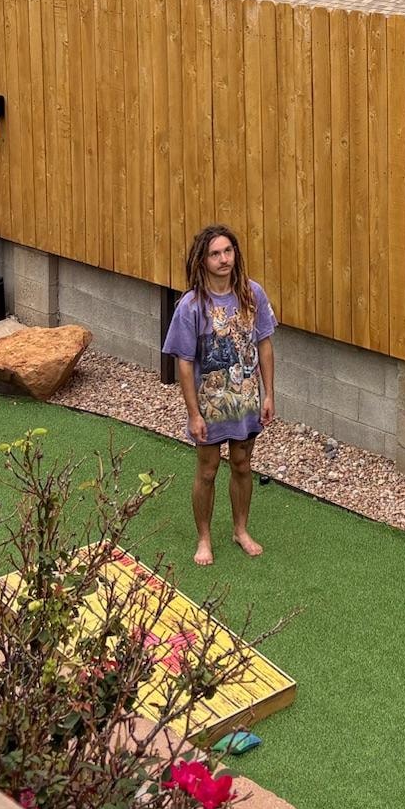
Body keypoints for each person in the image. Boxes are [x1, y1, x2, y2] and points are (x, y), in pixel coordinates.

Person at [163, 224, 277, 565]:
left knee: (242, 465)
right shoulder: (191, 305)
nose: (223, 259)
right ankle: (204, 537)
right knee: (208, 470)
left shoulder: (252, 295)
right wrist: (193, 413)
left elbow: (265, 345)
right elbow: (184, 362)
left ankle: (240, 530)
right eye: (215, 253)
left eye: (228, 251)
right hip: (210, 404)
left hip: (246, 400)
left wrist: (269, 394)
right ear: (203, 260)